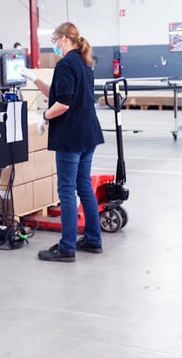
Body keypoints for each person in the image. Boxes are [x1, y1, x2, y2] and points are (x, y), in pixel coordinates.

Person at [20, 22, 104, 262]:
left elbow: (63, 104)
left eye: (55, 40)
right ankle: (93, 239)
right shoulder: (85, 62)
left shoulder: (66, 63)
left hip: (72, 136)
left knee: (66, 190)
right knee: (84, 187)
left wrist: (45, 117)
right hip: (88, 134)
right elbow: (58, 93)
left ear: (65, 38)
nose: (54, 45)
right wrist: (34, 78)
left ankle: (67, 247)